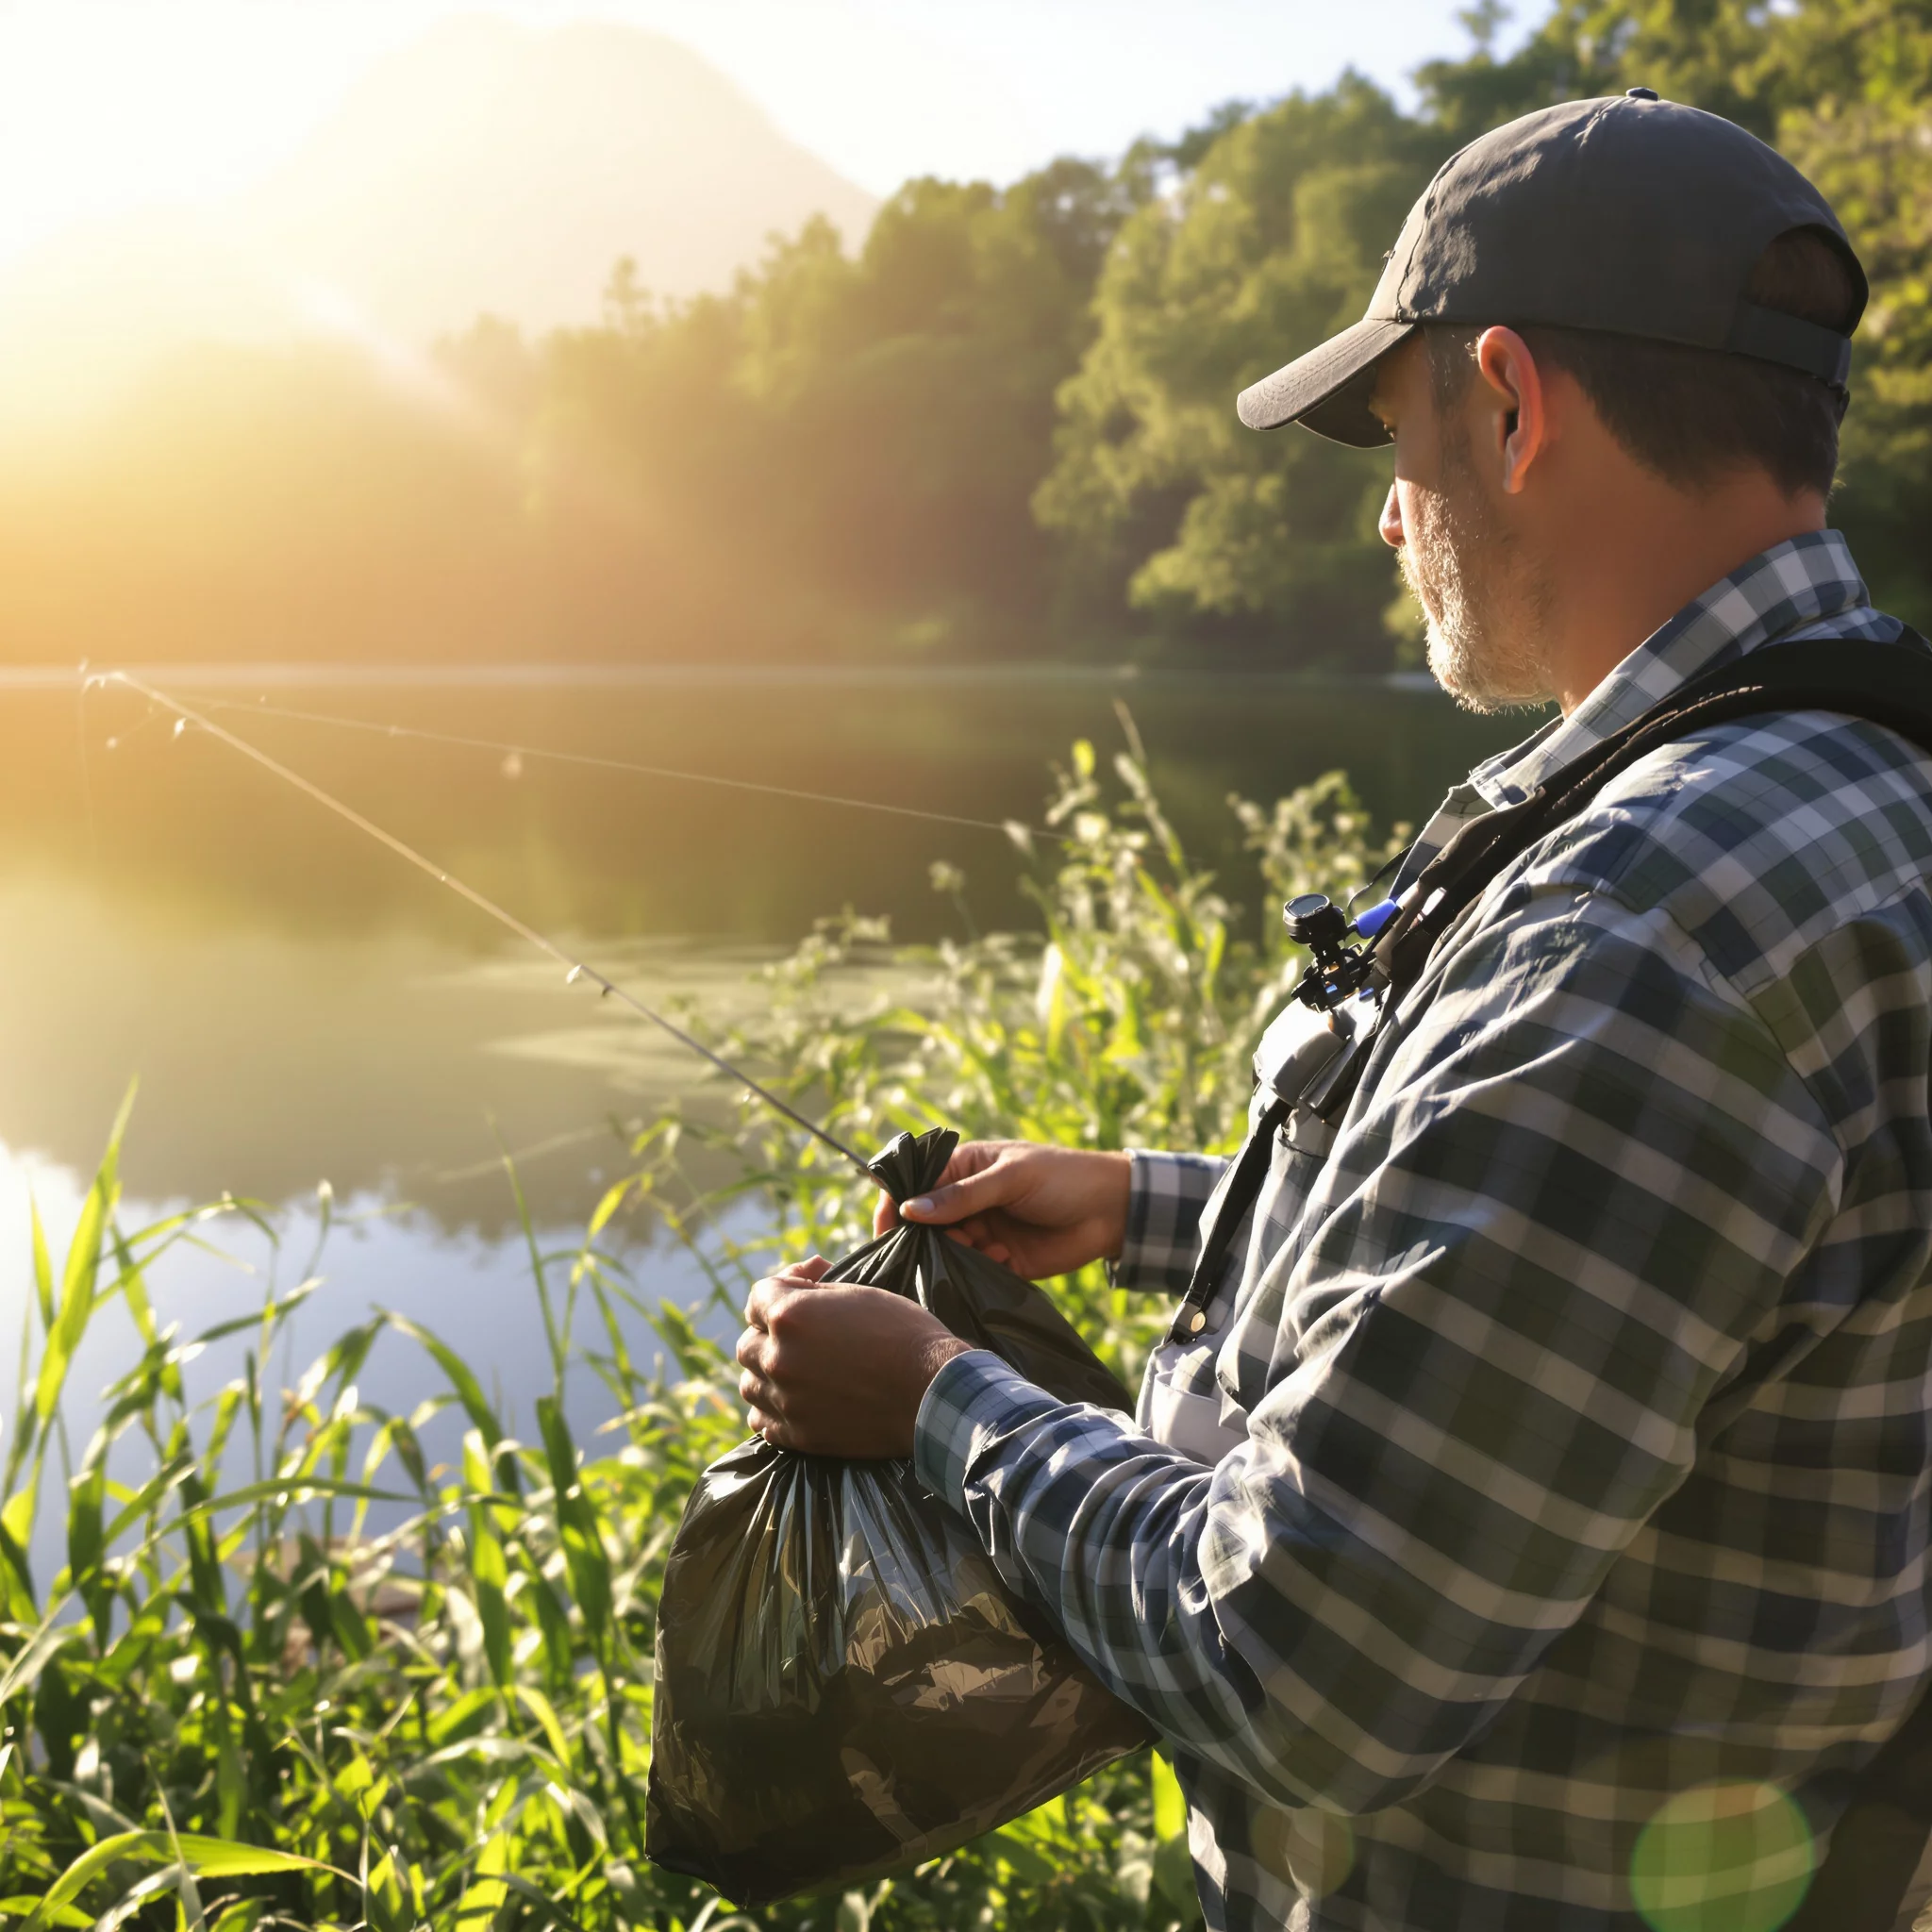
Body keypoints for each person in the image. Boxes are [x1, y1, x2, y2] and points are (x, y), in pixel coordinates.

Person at [736, 93, 1932, 1931]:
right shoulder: (1846, 788)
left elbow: (1293, 1658)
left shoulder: (1645, 924)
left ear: (1513, 406)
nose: (1388, 516)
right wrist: (1161, 1207)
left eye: (1395, 434)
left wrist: (936, 1402)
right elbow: (1627, 1289)